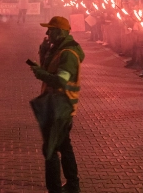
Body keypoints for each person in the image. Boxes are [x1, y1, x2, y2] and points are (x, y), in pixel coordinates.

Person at [30, 16, 85, 193]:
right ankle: (73, 184)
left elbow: (60, 81)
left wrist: (40, 74)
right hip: (58, 106)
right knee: (64, 145)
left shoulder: (68, 53)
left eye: (51, 30)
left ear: (60, 32)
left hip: (60, 107)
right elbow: (50, 69)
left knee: (51, 149)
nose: (47, 33)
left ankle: (54, 189)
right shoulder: (59, 50)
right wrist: (43, 53)